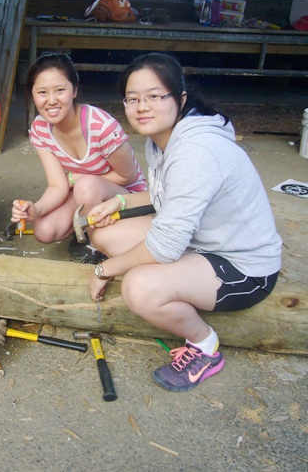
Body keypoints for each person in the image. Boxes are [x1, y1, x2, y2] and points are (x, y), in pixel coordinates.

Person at [86, 53, 282, 392]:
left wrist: (105, 270)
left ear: (180, 98)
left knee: (138, 287)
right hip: (200, 242)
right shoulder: (163, 139)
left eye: (154, 96)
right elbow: (169, 194)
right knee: (104, 232)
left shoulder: (196, 150)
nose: (142, 107)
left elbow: (164, 245)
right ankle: (176, 282)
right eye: (133, 99)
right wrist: (120, 201)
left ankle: (204, 346)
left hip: (243, 266)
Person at [10, 52, 146, 262]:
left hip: (126, 196)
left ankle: (96, 245)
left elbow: (128, 176)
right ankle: (86, 225)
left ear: (74, 90)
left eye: (60, 90)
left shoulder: (100, 126)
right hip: (86, 192)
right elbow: (57, 185)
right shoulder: (40, 128)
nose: (51, 100)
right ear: (32, 95)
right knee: (44, 230)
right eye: (42, 92)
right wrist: (36, 209)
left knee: (86, 186)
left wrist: (76, 178)